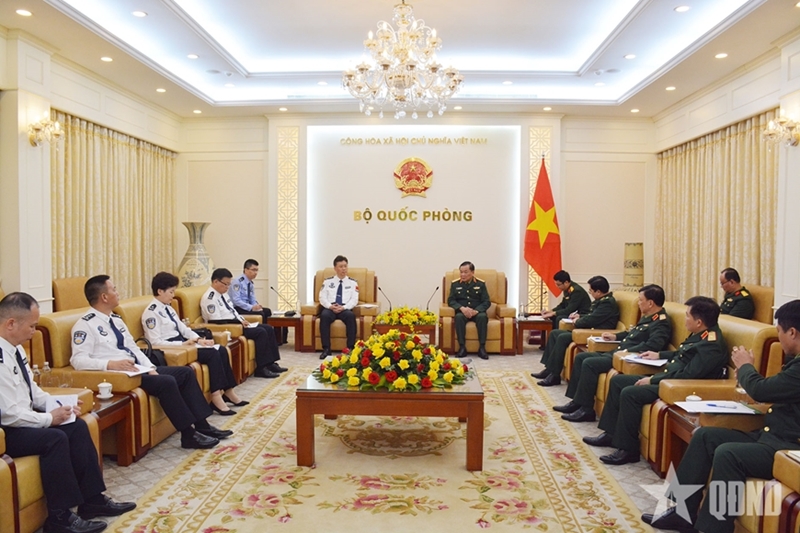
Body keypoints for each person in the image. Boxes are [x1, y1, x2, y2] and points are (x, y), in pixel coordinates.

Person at [641, 299, 800, 533]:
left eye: (779, 332)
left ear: (792, 332)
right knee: (705, 436)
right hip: (771, 436)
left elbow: (762, 390)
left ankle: (712, 528)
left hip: (787, 447)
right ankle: (682, 512)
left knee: (729, 454)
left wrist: (745, 367)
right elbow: (774, 389)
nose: (779, 338)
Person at [0, 292, 136, 533]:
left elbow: (33, 391)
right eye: (31, 326)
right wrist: (48, 419)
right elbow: (9, 414)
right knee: (54, 438)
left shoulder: (16, 349)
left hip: (23, 419)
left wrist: (60, 405)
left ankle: (92, 500)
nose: (34, 332)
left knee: (77, 426)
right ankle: (59, 517)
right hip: (6, 430)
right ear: (11, 323)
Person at [71, 275, 231, 450]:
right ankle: (188, 435)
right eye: (114, 289)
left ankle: (203, 426)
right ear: (104, 297)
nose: (117, 293)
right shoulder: (85, 325)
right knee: (166, 382)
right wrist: (109, 364)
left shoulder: (116, 320)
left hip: (136, 369)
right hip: (119, 375)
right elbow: (78, 360)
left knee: (185, 373)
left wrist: (151, 368)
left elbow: (133, 348)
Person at [584, 296, 728, 466]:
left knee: (630, 393)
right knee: (618, 381)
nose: (685, 319)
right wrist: (659, 355)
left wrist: (653, 379)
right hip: (669, 378)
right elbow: (682, 354)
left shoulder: (711, 344)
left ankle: (628, 450)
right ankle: (611, 434)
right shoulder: (702, 334)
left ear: (699, 322)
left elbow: (688, 374)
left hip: (680, 387)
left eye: (687, 316)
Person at [555, 284, 672, 422]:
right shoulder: (649, 316)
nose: (639, 303)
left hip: (628, 357)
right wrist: (615, 336)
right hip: (619, 352)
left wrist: (627, 351)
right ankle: (577, 402)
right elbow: (632, 334)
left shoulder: (661, 322)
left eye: (641, 300)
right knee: (581, 357)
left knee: (590, 363)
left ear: (650, 303)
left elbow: (653, 345)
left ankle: (586, 410)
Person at [142, 272, 247, 415]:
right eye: (171, 292)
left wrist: (198, 339)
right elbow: (154, 342)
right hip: (173, 348)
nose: (173, 295)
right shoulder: (151, 313)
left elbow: (184, 329)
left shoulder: (168, 308)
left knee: (221, 350)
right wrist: (182, 345)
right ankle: (216, 396)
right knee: (212, 354)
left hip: (184, 343)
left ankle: (228, 391)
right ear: (160, 291)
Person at [533, 275, 619, 386]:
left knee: (562, 337)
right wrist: (579, 316)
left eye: (591, 290)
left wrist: (578, 321)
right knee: (555, 333)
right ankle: (549, 369)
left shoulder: (607, 304)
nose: (589, 293)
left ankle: (554, 375)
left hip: (595, 333)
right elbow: (591, 315)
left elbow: (592, 319)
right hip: (587, 330)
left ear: (598, 292)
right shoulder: (601, 301)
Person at [202, 268, 286, 378]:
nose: (228, 287)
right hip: (229, 328)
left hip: (237, 323)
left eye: (229, 284)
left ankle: (271, 363)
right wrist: (238, 323)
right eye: (226, 284)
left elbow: (233, 311)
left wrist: (242, 319)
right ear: (216, 281)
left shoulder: (223, 294)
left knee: (268, 328)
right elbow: (216, 321)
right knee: (260, 332)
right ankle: (261, 368)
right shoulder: (210, 298)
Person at [229, 259, 287, 344]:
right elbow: (236, 300)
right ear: (246, 270)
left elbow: (252, 299)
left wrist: (256, 306)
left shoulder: (250, 283)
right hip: (238, 308)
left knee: (267, 311)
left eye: (257, 270)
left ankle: (275, 339)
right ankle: (263, 339)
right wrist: (251, 307)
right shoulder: (237, 282)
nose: (255, 273)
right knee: (261, 314)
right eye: (253, 270)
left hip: (247, 307)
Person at [448, 261, 492, 360]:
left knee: (482, 317)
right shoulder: (455, 284)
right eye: (461, 272)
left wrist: (476, 311)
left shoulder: (480, 284)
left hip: (477, 312)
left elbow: (486, 301)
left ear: (472, 272)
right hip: (463, 312)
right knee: (458, 317)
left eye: (465, 272)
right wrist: (462, 308)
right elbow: (451, 300)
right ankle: (462, 348)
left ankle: (482, 348)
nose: (462, 275)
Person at [318, 255, 359, 359]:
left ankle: (350, 348)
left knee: (351, 316)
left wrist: (344, 308)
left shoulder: (353, 283)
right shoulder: (327, 282)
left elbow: (354, 300)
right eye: (341, 266)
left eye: (345, 266)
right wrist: (330, 306)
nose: (344, 269)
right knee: (324, 316)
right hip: (330, 308)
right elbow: (322, 297)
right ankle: (326, 349)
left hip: (344, 308)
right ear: (335, 268)